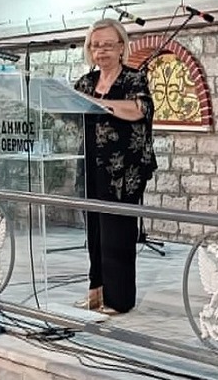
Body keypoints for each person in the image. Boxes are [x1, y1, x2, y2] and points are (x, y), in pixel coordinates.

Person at [72, 18, 156, 315]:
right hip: (90, 165)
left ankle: (118, 300)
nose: (102, 51)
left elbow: (139, 109)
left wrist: (99, 104)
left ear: (121, 47)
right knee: (95, 231)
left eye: (108, 45)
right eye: (95, 45)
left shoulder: (133, 79)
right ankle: (96, 292)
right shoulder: (85, 83)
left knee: (116, 233)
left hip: (124, 171)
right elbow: (71, 113)